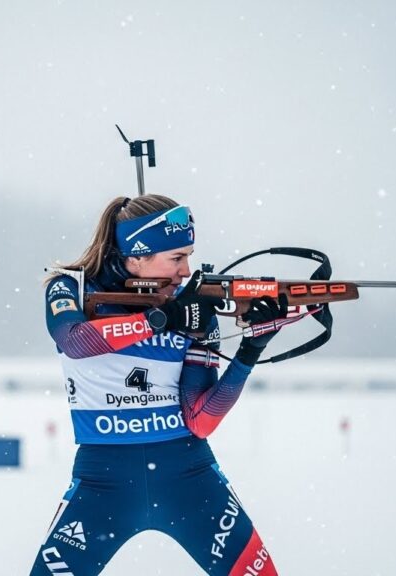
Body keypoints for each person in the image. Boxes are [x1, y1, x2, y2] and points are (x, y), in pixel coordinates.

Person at [30, 194, 287, 575]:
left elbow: (200, 419)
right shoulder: (70, 287)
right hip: (103, 484)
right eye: (177, 258)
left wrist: (251, 349)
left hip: (189, 478)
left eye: (189, 256)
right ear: (137, 256)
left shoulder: (194, 308)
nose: (186, 271)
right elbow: (74, 340)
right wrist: (159, 320)